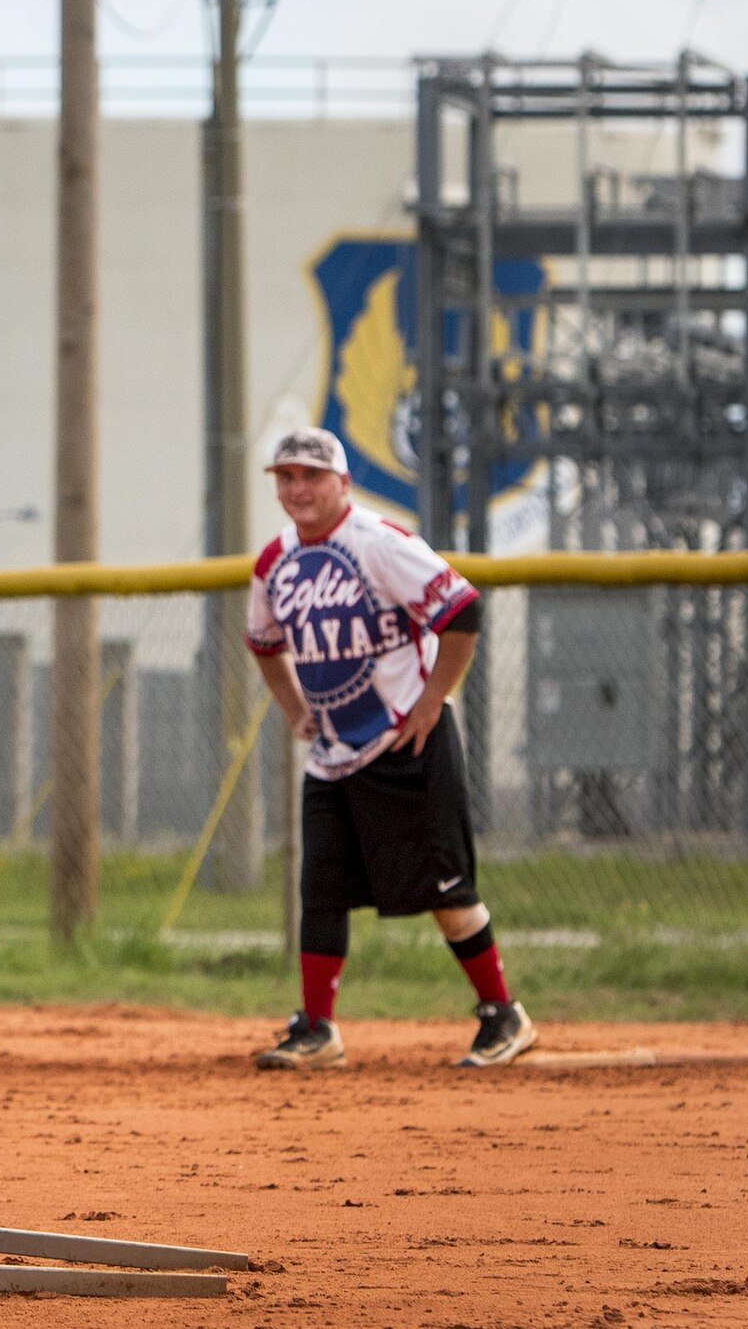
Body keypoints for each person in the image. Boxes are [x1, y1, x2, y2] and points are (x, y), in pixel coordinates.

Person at [244, 427, 536, 1071]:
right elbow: (264, 644)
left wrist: (433, 699)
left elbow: (461, 609)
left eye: (311, 476)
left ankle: (503, 1014)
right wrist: (295, 710)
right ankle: (317, 1027)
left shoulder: (379, 545)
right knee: (319, 890)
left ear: (342, 482)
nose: (298, 489)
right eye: (286, 478)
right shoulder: (275, 562)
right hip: (332, 753)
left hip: (408, 738)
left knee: (447, 891)